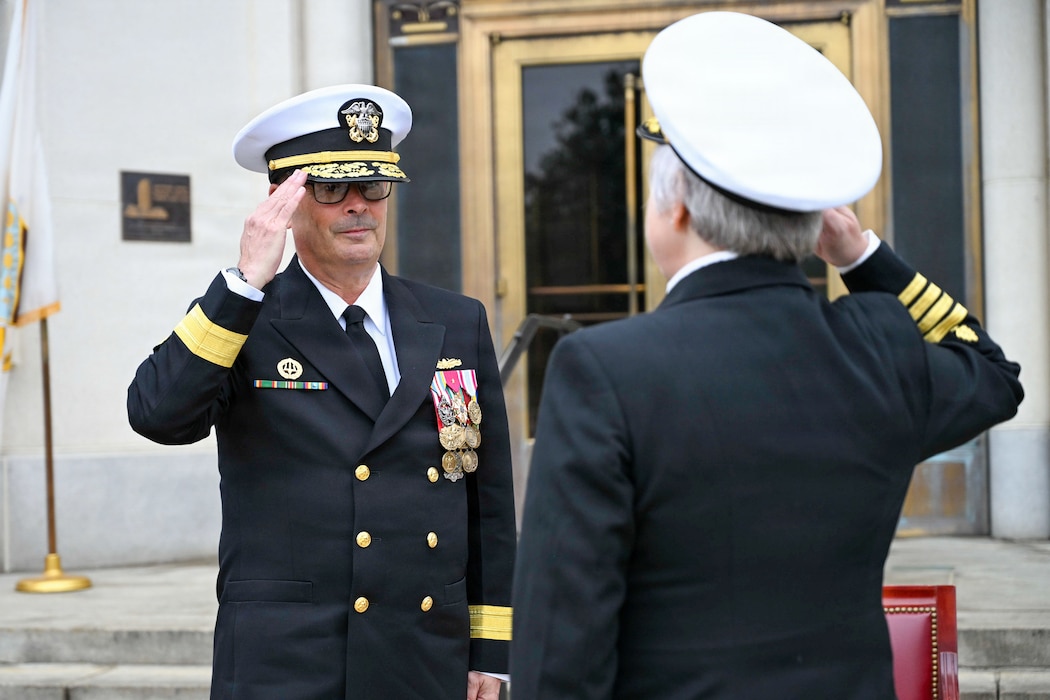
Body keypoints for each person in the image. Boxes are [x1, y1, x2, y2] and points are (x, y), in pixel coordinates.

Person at [509, 12, 1022, 700]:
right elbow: (992, 374)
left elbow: (561, 654)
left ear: (679, 209)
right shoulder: (879, 348)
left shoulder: (606, 371)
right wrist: (863, 255)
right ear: (812, 219)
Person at [127, 84, 516, 700]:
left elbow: (485, 496)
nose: (357, 206)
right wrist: (244, 282)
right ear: (284, 199)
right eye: (332, 189)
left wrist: (490, 651)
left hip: (422, 653)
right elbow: (157, 415)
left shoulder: (453, 320)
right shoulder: (244, 317)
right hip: (288, 658)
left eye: (374, 186)